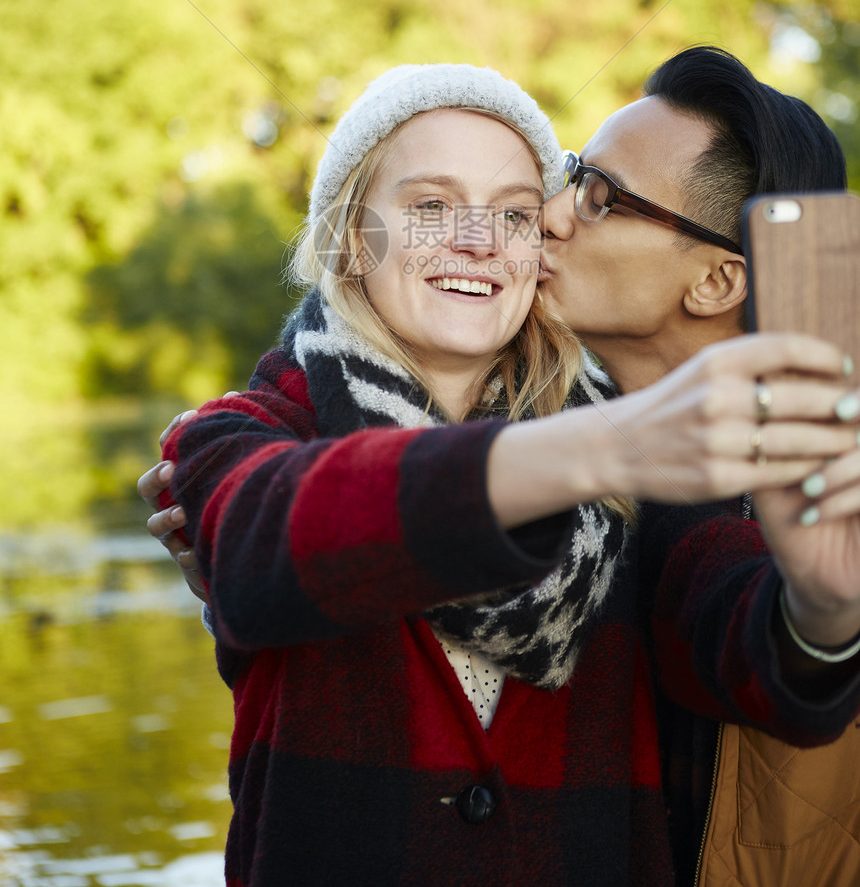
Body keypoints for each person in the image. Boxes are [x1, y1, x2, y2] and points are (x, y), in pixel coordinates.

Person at [141, 60, 860, 887]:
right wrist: (593, 448)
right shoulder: (245, 429)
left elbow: (740, 627)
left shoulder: (644, 483)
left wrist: (826, 606)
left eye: (519, 212)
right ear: (348, 234)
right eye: (430, 206)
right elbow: (264, 538)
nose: (495, 237)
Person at [538, 45, 860, 885]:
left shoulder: (807, 496)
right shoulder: (532, 440)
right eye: (574, 175)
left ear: (719, 280)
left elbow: (745, 634)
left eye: (602, 197)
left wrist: (823, 614)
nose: (551, 213)